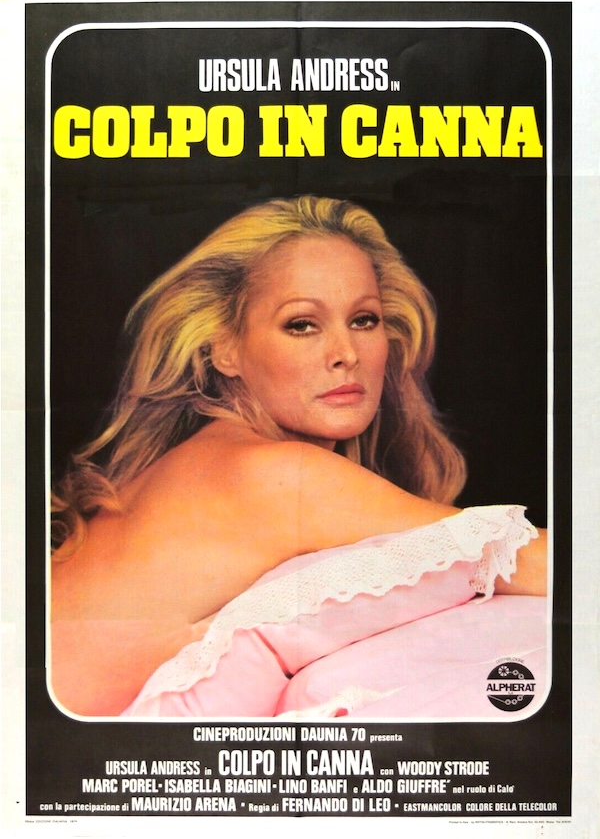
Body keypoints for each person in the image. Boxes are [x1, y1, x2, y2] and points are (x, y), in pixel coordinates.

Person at [50, 195, 547, 716]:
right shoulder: (278, 475)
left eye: (364, 320)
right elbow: (532, 562)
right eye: (302, 325)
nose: (346, 354)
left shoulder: (201, 463)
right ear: (225, 349)